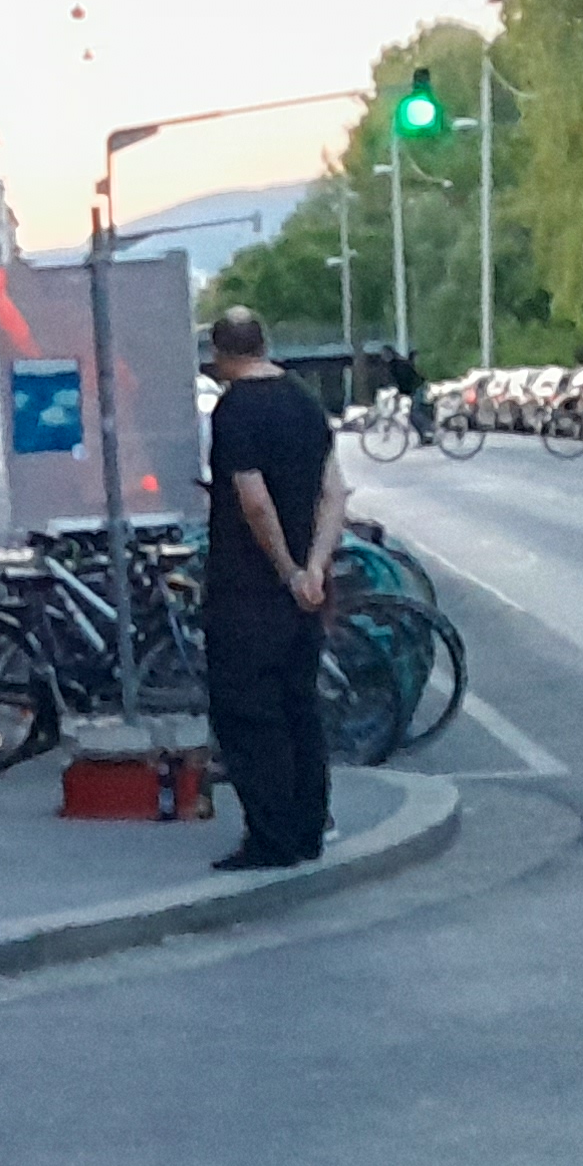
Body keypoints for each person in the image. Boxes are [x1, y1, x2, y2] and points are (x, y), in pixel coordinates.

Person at [201, 304, 345, 871]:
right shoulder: (305, 401)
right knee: (300, 708)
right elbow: (334, 492)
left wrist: (286, 569)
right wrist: (315, 568)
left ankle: (271, 838)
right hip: (308, 592)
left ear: (220, 355)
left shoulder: (236, 409)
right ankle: (309, 828)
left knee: (248, 714)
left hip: (248, 589)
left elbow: (254, 500)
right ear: (264, 344)